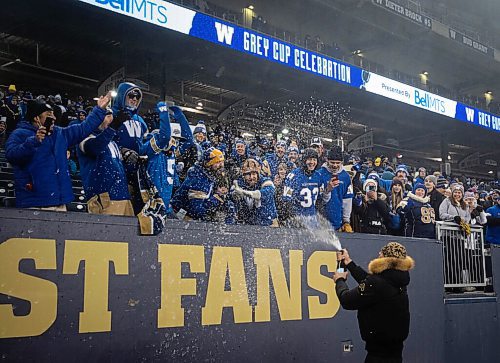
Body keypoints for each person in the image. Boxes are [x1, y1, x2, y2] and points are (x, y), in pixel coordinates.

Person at [6, 94, 112, 210]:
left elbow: (83, 128)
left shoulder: (60, 133)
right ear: (37, 118)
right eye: (49, 115)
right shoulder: (20, 134)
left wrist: (99, 110)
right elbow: (11, 155)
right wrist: (33, 142)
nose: (54, 118)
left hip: (60, 201)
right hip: (34, 202)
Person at [333, 242, 414, 363]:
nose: (378, 254)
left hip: (378, 356)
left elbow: (346, 300)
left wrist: (339, 280)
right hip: (395, 354)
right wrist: (349, 263)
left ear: (386, 259)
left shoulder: (377, 284)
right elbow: (370, 283)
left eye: (381, 253)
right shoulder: (397, 279)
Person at [77, 108, 134, 216]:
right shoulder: (84, 137)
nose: (111, 119)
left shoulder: (113, 143)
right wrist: (113, 128)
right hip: (104, 199)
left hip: (123, 197)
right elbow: (95, 147)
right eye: (107, 116)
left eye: (112, 116)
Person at [171, 147, 227, 221]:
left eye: (222, 161)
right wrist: (215, 200)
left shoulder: (207, 174)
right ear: (208, 164)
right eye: (217, 162)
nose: (221, 165)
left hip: (186, 213)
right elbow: (196, 209)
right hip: (180, 215)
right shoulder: (199, 178)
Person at [282, 148, 332, 222]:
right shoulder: (294, 175)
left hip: (312, 220)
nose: (312, 162)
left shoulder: (318, 176)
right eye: (309, 159)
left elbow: (320, 201)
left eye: (314, 159)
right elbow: (286, 201)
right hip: (297, 221)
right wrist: (295, 217)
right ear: (304, 160)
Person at [231, 158, 278, 226]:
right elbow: (231, 196)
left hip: (268, 222)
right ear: (243, 176)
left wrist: (244, 192)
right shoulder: (239, 183)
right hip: (248, 223)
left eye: (254, 174)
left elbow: (262, 194)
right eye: (248, 174)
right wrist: (235, 194)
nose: (251, 177)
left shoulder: (265, 181)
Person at [317, 146, 354, 232]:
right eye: (332, 162)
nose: (335, 165)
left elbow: (347, 200)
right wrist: (327, 190)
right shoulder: (319, 174)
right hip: (320, 223)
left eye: (338, 163)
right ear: (327, 160)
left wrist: (346, 221)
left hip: (337, 223)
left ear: (342, 162)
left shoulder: (345, 177)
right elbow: (318, 201)